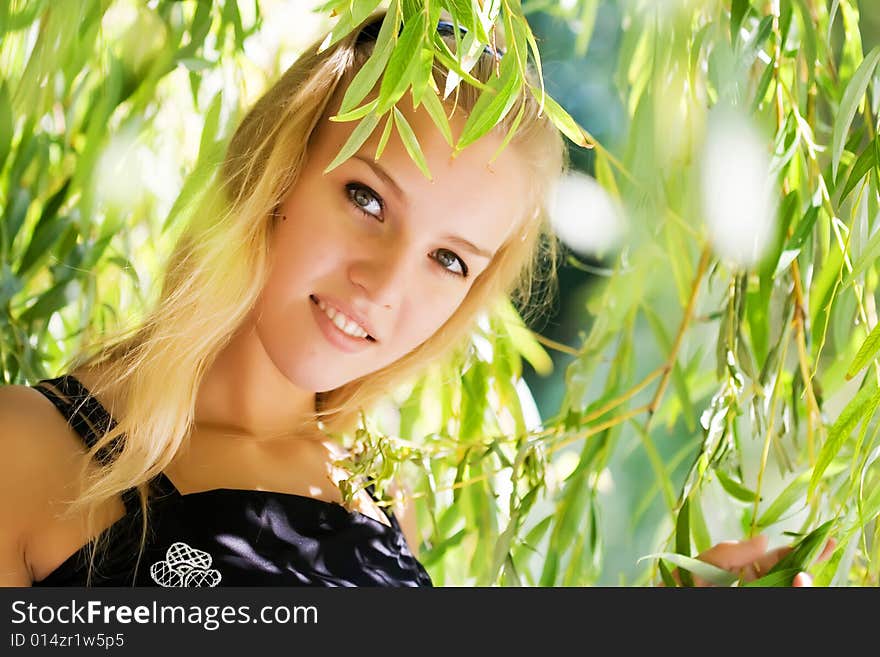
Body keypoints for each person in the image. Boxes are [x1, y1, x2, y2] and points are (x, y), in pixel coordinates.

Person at [0, 9, 818, 588]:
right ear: (279, 172)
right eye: (367, 199)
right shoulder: (25, 449)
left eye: (449, 261)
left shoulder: (382, 498)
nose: (386, 284)